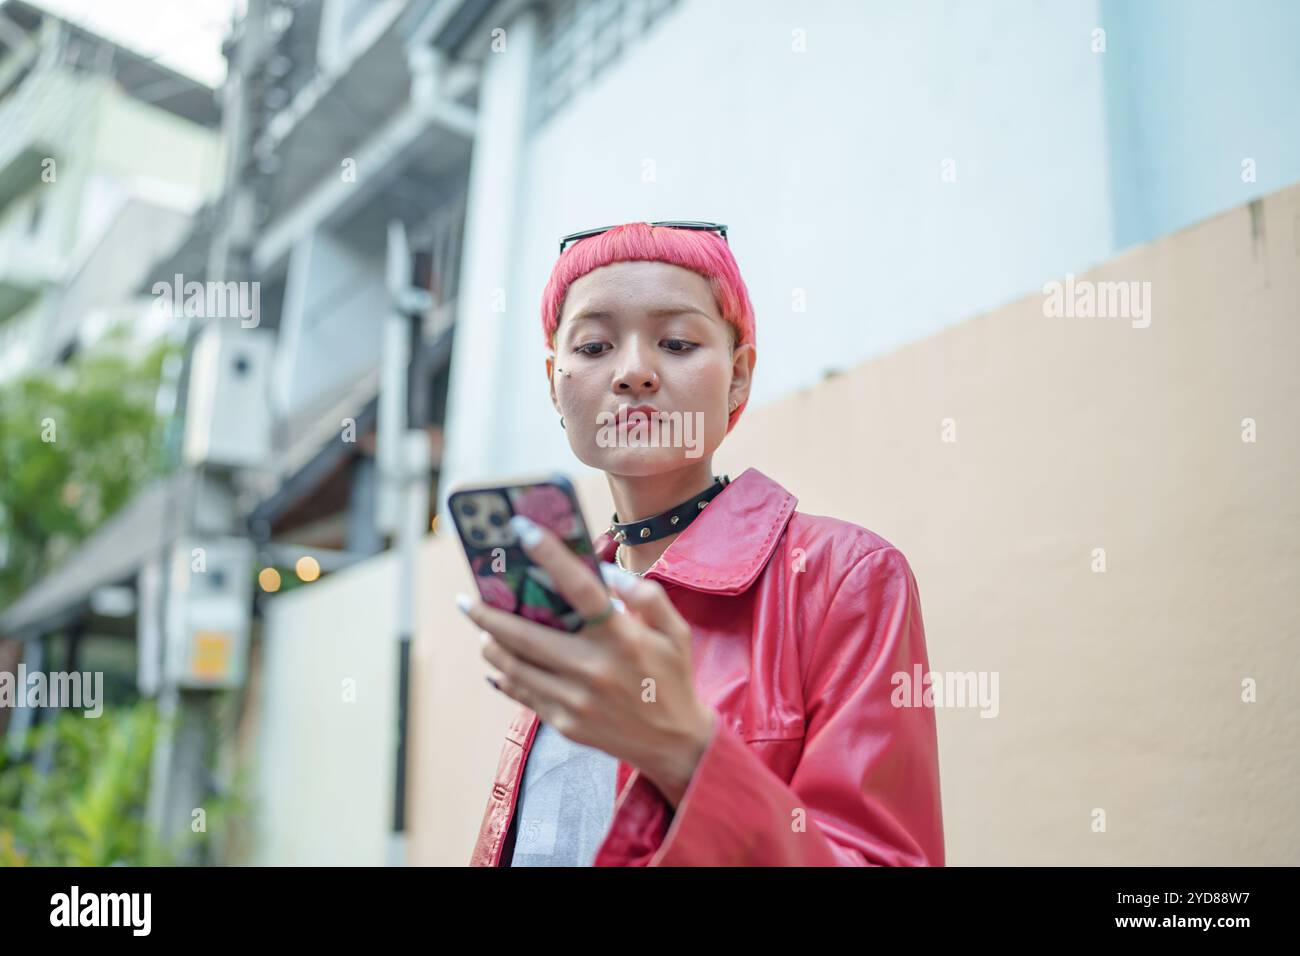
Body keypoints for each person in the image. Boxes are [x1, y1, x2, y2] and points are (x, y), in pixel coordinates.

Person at [458, 221, 944, 866]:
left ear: (738, 376)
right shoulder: (567, 602)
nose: (633, 372)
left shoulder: (845, 579)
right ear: (555, 382)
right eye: (595, 345)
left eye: (678, 342)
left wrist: (685, 753)